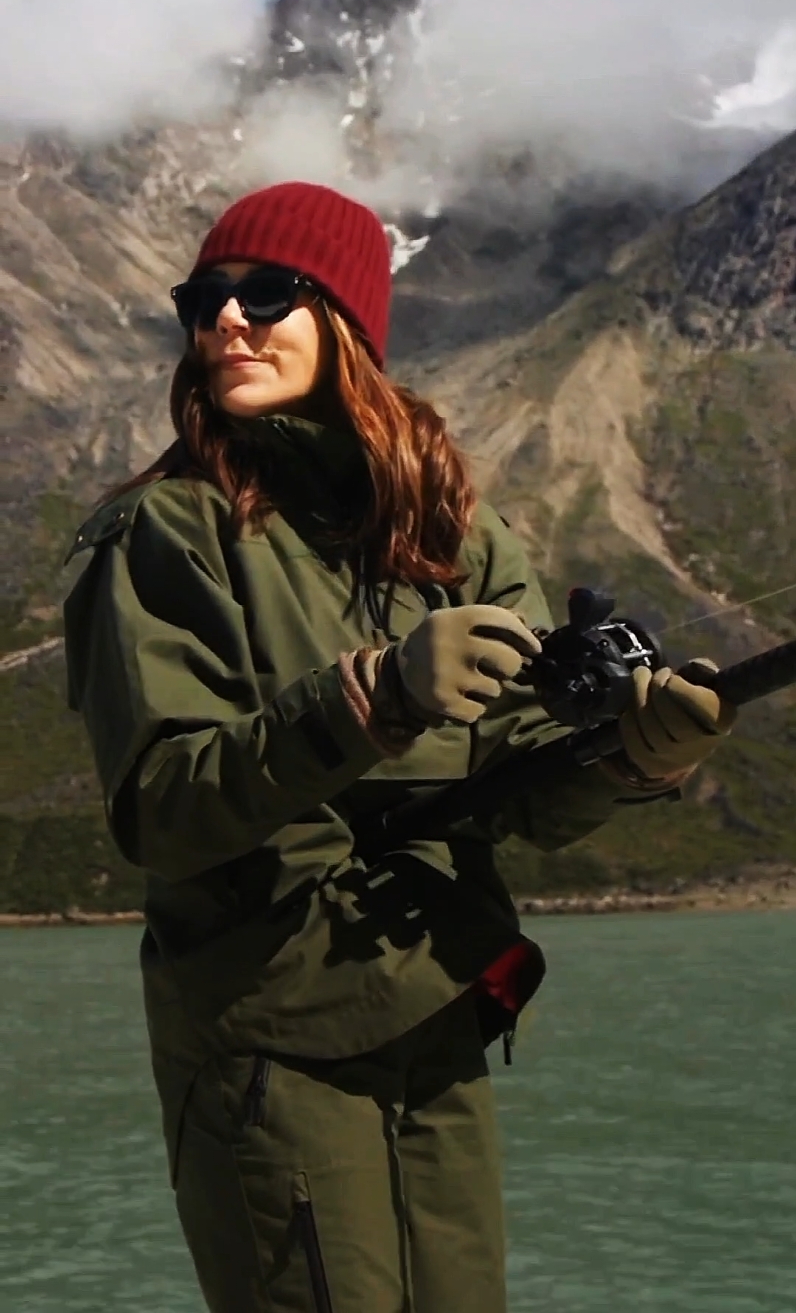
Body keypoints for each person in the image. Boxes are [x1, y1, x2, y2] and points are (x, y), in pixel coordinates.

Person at [63, 181, 736, 1313]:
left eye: (266, 293)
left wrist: (632, 758)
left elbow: (514, 784)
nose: (227, 320)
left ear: (346, 322)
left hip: (437, 1013)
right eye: (206, 298)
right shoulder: (164, 534)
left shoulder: (453, 531)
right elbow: (162, 809)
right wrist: (371, 697)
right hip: (268, 1049)